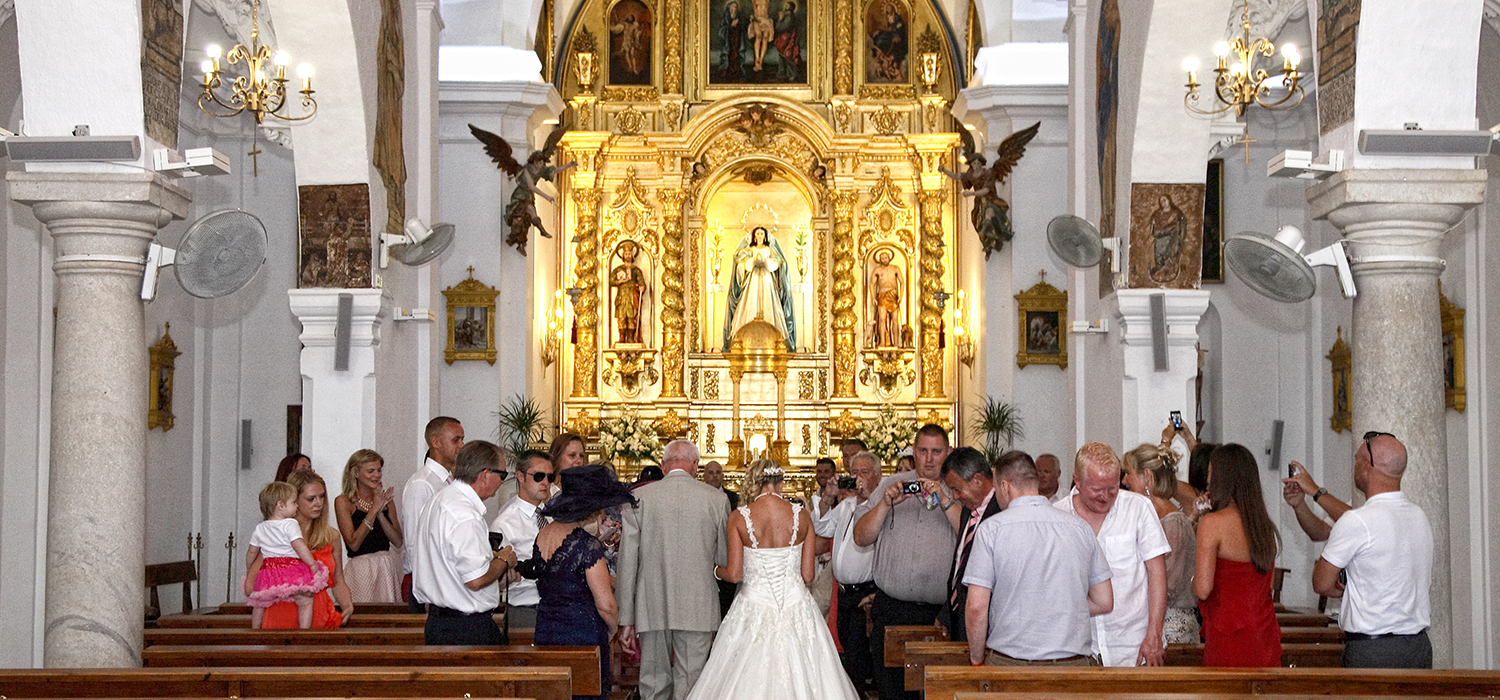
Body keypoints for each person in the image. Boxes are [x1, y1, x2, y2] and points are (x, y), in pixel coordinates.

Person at [686, 459, 859, 700]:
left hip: (753, 604)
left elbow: (735, 574)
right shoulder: (802, 516)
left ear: (756, 481)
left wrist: (715, 570)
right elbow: (808, 575)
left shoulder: (739, 517)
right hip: (796, 604)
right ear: (780, 482)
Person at [964, 450, 1113, 665]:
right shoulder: (1080, 527)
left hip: (1012, 665)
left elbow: (976, 607)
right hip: (1072, 666)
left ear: (1005, 487)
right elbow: (1104, 600)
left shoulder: (991, 530)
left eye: (996, 489)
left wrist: (976, 660)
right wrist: (1057, 607)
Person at [853, 424, 959, 700]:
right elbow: (861, 536)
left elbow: (976, 537)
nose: (929, 459)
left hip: (940, 616)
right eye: (923, 451)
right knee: (892, 692)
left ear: (947, 453)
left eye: (936, 452)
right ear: (914, 452)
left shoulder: (957, 488)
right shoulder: (891, 484)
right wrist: (886, 504)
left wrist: (945, 500)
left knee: (937, 694)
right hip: (893, 610)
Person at [618, 440, 729, 700]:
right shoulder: (716, 499)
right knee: (692, 684)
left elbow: (627, 563)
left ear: (663, 465)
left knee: (653, 685)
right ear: (695, 466)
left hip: (651, 605)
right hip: (698, 606)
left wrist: (626, 618)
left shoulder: (637, 499)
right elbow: (723, 558)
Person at [1313, 432, 1433, 668]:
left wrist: (1345, 589)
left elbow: (1321, 583)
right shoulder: (1419, 516)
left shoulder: (1356, 520)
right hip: (1418, 648)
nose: (1355, 467)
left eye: (1357, 460)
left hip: (1373, 651)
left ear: (1368, 465)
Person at [1054, 441, 1169, 667]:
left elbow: (1157, 575)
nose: (1105, 497)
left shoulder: (1138, 509)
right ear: (1077, 481)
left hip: (1133, 647)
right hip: (1077, 650)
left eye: (1113, 488)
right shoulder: (1057, 517)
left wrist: (1154, 634)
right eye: (1097, 490)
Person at [533, 464, 638, 700]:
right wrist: (612, 630)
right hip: (583, 635)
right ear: (589, 510)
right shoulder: (586, 545)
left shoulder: (543, 535)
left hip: (546, 630)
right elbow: (606, 605)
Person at [411, 440, 518, 645]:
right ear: (485, 475)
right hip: (465, 629)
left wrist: (491, 557)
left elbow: (448, 558)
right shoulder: (465, 514)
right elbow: (475, 580)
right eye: (502, 475)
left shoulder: (440, 499)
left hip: (439, 622)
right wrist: (504, 560)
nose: (502, 481)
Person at [1194, 443, 1281, 666]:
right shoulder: (1264, 526)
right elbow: (1266, 586)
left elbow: (1203, 590)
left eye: (1211, 473)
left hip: (1228, 633)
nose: (1207, 481)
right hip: (1264, 633)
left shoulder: (1212, 523)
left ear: (1223, 478)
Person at [812, 450, 879, 692]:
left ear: (878, 476)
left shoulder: (880, 505)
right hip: (843, 593)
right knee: (848, 653)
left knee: (859, 659)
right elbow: (822, 526)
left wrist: (868, 497)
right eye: (853, 473)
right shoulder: (847, 504)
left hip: (865, 593)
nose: (858, 478)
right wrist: (828, 498)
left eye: (864, 472)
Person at [1122, 443, 1198, 646]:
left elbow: (1168, 585)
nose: (1124, 481)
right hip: (1152, 622)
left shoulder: (1173, 523)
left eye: (1128, 473)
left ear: (1147, 476)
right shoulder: (1152, 518)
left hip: (1172, 628)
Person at [261, 469, 355, 628]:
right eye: (311, 499)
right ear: (294, 501)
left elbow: (338, 580)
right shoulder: (275, 534)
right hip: (281, 614)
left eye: (321, 497)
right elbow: (260, 577)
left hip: (319, 616)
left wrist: (347, 604)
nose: (318, 503)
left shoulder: (330, 536)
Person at [244, 481, 328, 629]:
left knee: (259, 603)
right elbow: (299, 546)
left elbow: (252, 552)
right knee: (305, 600)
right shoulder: (290, 524)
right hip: (290, 568)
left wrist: (250, 569)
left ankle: (255, 630)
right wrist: (312, 564)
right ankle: (304, 631)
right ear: (280, 505)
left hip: (268, 570)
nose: (296, 506)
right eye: (294, 502)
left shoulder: (260, 528)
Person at [402, 416, 464, 609]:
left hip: (447, 579)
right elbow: (414, 541)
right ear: (435, 442)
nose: (462, 445)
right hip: (429, 582)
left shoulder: (451, 480)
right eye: (456, 440)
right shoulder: (423, 484)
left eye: (462, 439)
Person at [940, 447, 1002, 642]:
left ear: (977, 479)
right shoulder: (969, 510)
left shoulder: (1002, 512)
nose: (955, 496)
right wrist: (946, 613)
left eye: (957, 489)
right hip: (960, 618)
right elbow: (961, 562)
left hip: (989, 623)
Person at [490, 450, 556, 627]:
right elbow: (496, 578)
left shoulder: (552, 517)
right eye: (539, 476)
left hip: (557, 606)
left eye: (550, 477)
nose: (545, 483)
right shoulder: (504, 523)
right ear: (520, 476)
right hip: (526, 606)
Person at [334, 449, 403, 603]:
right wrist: (373, 510)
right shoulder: (344, 501)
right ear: (356, 473)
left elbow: (398, 541)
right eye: (370, 471)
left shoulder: (386, 501)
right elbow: (353, 544)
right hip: (361, 569)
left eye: (379, 470)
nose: (376, 475)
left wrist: (379, 512)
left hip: (385, 566)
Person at [722, 226, 795, 351]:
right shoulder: (750, 249)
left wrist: (766, 263)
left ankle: (775, 339)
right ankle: (744, 340)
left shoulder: (769, 249)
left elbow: (778, 262)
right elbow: (741, 263)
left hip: (767, 280)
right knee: (750, 302)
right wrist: (753, 261)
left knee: (770, 305)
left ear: (765, 236)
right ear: (754, 236)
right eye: (757, 234)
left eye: (762, 233)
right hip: (753, 279)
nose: (759, 236)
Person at [1282, 461, 1353, 542]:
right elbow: (1321, 532)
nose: (1353, 469)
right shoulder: (1357, 500)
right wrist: (1299, 505)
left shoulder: (1368, 503)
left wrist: (1315, 491)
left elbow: (1357, 523)